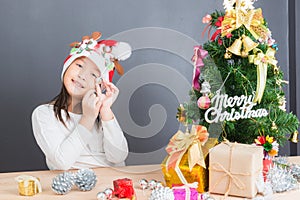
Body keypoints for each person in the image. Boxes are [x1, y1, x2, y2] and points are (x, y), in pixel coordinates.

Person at [31, 32, 132, 170]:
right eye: (79, 66)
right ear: (66, 67)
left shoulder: (102, 115)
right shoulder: (44, 114)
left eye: (93, 74)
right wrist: (88, 118)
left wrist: (106, 112)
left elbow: (118, 157)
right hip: (73, 187)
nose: (82, 76)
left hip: (110, 183)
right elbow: (62, 162)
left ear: (101, 85)